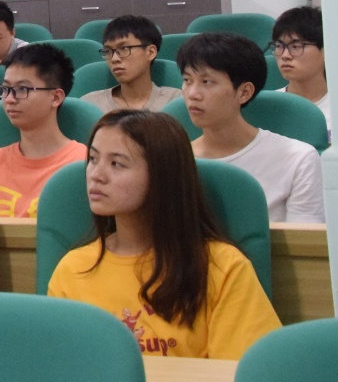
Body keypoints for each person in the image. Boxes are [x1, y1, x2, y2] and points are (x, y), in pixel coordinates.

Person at [48, 110, 281, 359]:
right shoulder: (72, 270)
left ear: (162, 176)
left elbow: (246, 369)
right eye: (93, 159)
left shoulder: (223, 267)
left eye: (117, 164)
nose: (96, 175)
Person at [179, 32, 324, 223]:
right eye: (187, 80)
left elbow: (302, 240)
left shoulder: (298, 159)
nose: (192, 94)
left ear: (244, 92)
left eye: (207, 82)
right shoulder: (175, 161)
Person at [0, 44, 87, 217]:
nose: (9, 99)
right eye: (5, 89)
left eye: (22, 89)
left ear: (56, 97)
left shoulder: (84, 164)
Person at [80, 15, 181, 113]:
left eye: (124, 48)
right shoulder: (91, 105)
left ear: (150, 52)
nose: (114, 59)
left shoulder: (176, 101)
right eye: (108, 51)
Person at [271, 6, 330, 139]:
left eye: (296, 46)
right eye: (279, 46)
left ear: (325, 50)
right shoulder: (266, 106)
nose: (285, 55)